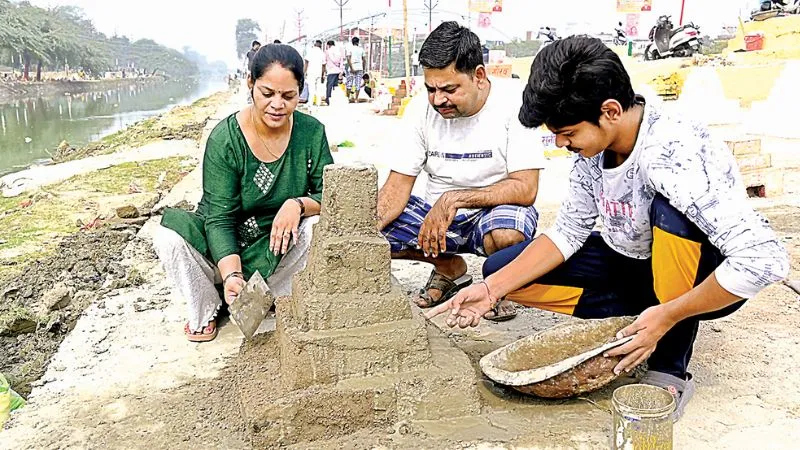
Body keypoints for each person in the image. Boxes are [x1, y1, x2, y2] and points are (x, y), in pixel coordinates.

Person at [426, 36, 790, 419]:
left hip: (696, 271)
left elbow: (764, 260)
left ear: (611, 110)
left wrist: (670, 314)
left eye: (567, 133)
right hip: (632, 261)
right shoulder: (594, 149)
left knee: (670, 214)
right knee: (501, 271)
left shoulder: (673, 152)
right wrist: (489, 291)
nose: (561, 143)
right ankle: (641, 318)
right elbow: (568, 231)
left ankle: (669, 361)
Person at [153, 44, 334, 342]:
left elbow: (331, 194)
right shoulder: (226, 139)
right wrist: (232, 274)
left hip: (277, 244)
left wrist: (298, 205)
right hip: (222, 240)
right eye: (267, 93)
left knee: (317, 226)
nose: (277, 104)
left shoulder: (311, 132)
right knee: (169, 238)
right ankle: (209, 304)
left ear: (300, 90)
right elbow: (219, 217)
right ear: (250, 84)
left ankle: (267, 297)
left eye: (288, 96)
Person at [378, 22, 547, 322]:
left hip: (493, 211)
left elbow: (526, 187)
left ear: (479, 76)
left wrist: (455, 198)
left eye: (449, 89)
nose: (438, 99)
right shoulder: (420, 109)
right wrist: (361, 232)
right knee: (373, 229)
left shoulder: (516, 102)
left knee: (508, 233)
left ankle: (498, 286)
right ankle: (448, 268)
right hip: (437, 220)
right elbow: (395, 189)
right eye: (431, 89)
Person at [304, 40, 325, 107]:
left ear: (315, 44)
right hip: (319, 73)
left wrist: (304, 72)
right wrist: (322, 75)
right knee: (318, 89)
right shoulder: (322, 53)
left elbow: (306, 63)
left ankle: (310, 103)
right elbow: (323, 65)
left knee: (311, 89)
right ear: (320, 45)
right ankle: (318, 103)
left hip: (311, 72)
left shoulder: (310, 51)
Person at [323, 40, 343, 105]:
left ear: (328, 45)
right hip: (338, 70)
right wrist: (341, 70)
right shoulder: (338, 51)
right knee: (336, 86)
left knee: (329, 85)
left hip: (331, 70)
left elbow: (324, 61)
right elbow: (341, 61)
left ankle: (328, 98)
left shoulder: (327, 51)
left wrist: (324, 71)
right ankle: (336, 99)